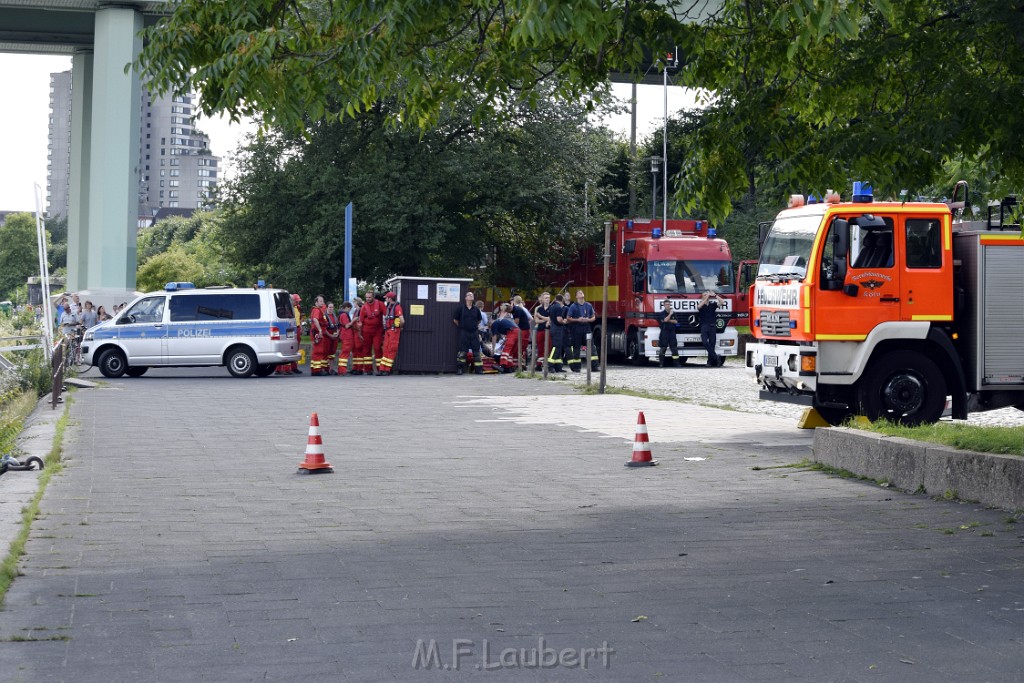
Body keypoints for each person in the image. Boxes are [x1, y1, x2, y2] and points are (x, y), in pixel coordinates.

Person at [452, 291, 484, 375]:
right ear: (465, 298)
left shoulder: (476, 309)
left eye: (472, 295)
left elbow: (479, 320)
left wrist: (473, 326)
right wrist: (462, 326)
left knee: (476, 351)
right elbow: (455, 320)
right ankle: (460, 369)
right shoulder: (460, 308)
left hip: (474, 332)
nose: (471, 296)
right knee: (462, 351)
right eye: (469, 295)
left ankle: (479, 370)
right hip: (464, 332)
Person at [565, 290, 596, 373]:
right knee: (576, 348)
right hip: (576, 328)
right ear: (576, 296)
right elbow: (568, 318)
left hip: (587, 328)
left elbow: (593, 317)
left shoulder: (588, 305)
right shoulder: (573, 306)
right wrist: (577, 319)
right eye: (579, 293)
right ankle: (577, 367)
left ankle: (594, 366)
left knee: (591, 347)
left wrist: (588, 320)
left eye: (582, 292)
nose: (581, 294)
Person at [357, 290, 386, 375]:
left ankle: (380, 368)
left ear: (373, 297)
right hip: (366, 332)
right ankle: (368, 369)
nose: (368, 299)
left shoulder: (380, 304)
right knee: (366, 350)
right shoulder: (363, 307)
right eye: (366, 297)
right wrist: (360, 334)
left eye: (369, 297)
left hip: (378, 331)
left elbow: (387, 314)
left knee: (377, 348)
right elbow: (360, 322)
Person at [698, 289, 727, 367]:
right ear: (702, 297)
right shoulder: (701, 304)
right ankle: (716, 358)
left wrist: (715, 295)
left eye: (707, 295)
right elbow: (699, 307)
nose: (706, 296)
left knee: (712, 344)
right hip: (704, 326)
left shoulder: (712, 304)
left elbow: (722, 302)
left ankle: (709, 362)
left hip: (712, 326)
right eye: (704, 295)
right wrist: (706, 297)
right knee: (704, 342)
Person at [378, 292, 404, 375]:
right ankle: (382, 369)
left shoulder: (397, 307)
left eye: (386, 298)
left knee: (391, 349)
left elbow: (402, 320)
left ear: (390, 298)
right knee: (385, 349)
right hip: (388, 330)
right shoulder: (389, 307)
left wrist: (400, 327)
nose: (385, 299)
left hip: (394, 330)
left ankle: (387, 370)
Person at [277, 293, 303, 375]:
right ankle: (282, 369)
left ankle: (294, 367)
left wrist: (300, 327)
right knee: (286, 349)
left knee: (295, 349)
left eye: (298, 301)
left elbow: (300, 318)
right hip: (289, 329)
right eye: (296, 301)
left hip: (296, 328)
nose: (297, 303)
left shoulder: (298, 308)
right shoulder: (285, 308)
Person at [650, 299, 681, 367]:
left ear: (670, 305)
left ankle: (676, 363)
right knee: (663, 348)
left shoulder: (674, 313)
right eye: (666, 304)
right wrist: (670, 315)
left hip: (672, 332)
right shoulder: (662, 313)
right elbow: (665, 320)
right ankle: (661, 363)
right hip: (664, 332)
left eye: (668, 304)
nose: (667, 306)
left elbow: (676, 321)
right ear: (664, 305)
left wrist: (668, 320)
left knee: (674, 348)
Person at [508, 295, 532, 371]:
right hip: (523, 329)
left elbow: (516, 322)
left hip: (522, 330)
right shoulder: (521, 308)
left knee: (519, 348)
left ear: (513, 302)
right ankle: (519, 364)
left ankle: (519, 364)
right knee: (520, 348)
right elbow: (530, 319)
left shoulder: (518, 309)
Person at [546, 294, 569, 372]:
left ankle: (558, 366)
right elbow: (559, 319)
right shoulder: (559, 307)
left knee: (558, 348)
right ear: (562, 300)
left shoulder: (552, 307)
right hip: (558, 329)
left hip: (553, 327)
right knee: (556, 348)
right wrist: (564, 321)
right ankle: (550, 365)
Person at [492, 305, 518, 372]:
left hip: (512, 331)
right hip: (517, 331)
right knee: (510, 351)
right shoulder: (500, 322)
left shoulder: (494, 324)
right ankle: (509, 367)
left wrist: (493, 349)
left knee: (506, 350)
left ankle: (502, 365)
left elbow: (494, 337)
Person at [309, 295, 330, 375]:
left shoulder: (319, 310)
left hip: (317, 332)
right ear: (316, 302)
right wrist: (320, 330)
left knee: (317, 351)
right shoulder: (317, 310)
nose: (322, 302)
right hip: (317, 333)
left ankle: (315, 369)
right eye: (320, 301)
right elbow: (315, 319)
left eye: (323, 301)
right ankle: (317, 370)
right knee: (318, 351)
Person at [532, 292, 551, 370]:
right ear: (542, 299)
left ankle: (548, 364)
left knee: (549, 347)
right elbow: (536, 321)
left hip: (548, 330)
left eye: (548, 298)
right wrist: (545, 319)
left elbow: (551, 319)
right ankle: (539, 364)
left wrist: (540, 316)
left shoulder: (552, 308)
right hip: (540, 330)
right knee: (540, 347)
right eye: (546, 298)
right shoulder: (539, 309)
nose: (547, 299)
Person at [336, 301, 356, 376]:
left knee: (345, 353)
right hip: (347, 336)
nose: (350, 311)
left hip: (345, 335)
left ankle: (341, 370)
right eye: (349, 309)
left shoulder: (342, 314)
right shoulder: (344, 315)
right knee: (345, 353)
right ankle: (342, 370)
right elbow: (347, 325)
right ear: (347, 307)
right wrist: (353, 321)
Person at [325, 301, 340, 374]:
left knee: (332, 353)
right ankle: (326, 369)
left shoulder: (335, 316)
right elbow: (324, 328)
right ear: (327, 307)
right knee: (326, 352)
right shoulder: (324, 316)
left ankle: (331, 368)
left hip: (334, 336)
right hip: (327, 336)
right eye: (330, 307)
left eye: (332, 307)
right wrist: (330, 335)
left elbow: (338, 326)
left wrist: (337, 333)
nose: (331, 309)